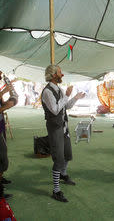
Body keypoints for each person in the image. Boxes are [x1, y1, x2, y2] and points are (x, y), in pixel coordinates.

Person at [41, 64, 85, 202]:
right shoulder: (47, 91)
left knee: (67, 155)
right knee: (58, 159)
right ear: (53, 75)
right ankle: (56, 190)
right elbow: (54, 110)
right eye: (60, 72)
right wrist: (66, 95)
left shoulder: (58, 89)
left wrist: (75, 97)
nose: (62, 75)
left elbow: (65, 106)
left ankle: (63, 174)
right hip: (55, 128)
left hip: (63, 127)